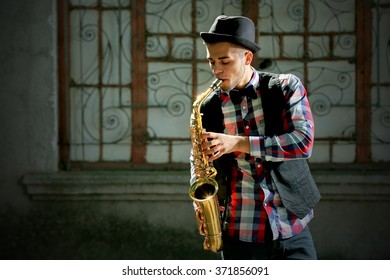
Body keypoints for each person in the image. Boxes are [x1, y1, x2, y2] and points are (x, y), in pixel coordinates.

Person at [190, 15, 321, 260]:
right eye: (211, 61)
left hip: (291, 227)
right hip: (240, 233)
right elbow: (199, 159)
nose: (216, 70)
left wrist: (238, 143)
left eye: (224, 61)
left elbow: (302, 143)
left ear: (247, 58)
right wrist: (202, 198)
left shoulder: (285, 87)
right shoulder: (208, 106)